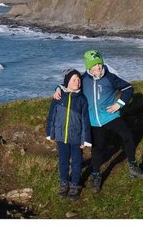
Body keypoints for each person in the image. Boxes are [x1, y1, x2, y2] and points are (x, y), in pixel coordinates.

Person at [55, 48, 143, 191]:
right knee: (98, 148)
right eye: (94, 65)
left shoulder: (110, 77)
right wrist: (58, 88)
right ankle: (96, 175)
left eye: (99, 64)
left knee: (127, 136)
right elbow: (68, 84)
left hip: (110, 117)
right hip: (93, 121)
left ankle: (133, 166)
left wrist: (119, 104)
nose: (98, 67)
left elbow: (128, 88)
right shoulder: (83, 79)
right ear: (88, 67)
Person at [45, 68, 91, 199]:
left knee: (76, 162)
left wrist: (85, 139)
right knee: (63, 161)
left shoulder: (82, 99)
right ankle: (64, 183)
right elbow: (52, 115)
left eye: (79, 79)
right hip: (60, 136)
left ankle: (75, 184)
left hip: (76, 137)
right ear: (67, 82)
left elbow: (85, 121)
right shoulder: (58, 97)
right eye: (74, 79)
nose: (77, 82)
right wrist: (50, 133)